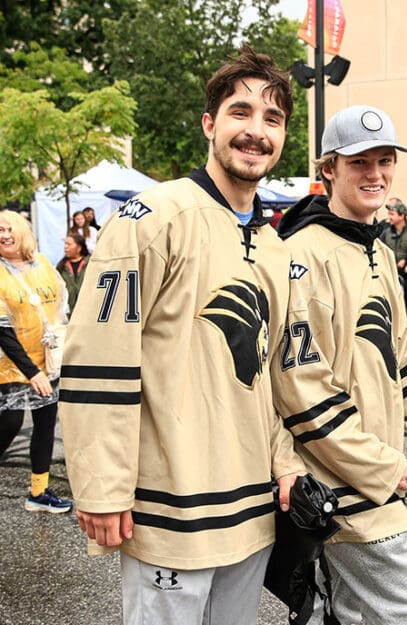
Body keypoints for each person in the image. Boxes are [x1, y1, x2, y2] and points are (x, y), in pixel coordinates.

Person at [58, 44, 306, 625]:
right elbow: (98, 357)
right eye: (240, 112)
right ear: (209, 124)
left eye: (273, 119)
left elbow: (268, 375)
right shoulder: (153, 217)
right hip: (172, 506)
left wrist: (284, 463)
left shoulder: (274, 247)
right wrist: (101, 486)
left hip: (252, 510)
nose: (256, 131)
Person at [271, 104, 407, 625]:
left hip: (370, 471)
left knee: (336, 613)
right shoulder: (302, 253)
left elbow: (402, 366)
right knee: (404, 611)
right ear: (329, 169)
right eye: (359, 162)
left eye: (384, 161)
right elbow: (300, 388)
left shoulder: (379, 252)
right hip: (337, 482)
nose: (375, 174)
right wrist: (384, 466)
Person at [0, 210, 72, 513]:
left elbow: (61, 305)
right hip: (10, 362)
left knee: (45, 423)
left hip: (48, 360)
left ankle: (39, 493)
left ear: (22, 231)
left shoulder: (42, 263)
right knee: (11, 421)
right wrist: (31, 372)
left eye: (8, 229)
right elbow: (1, 330)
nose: (4, 235)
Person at [56, 233, 90, 317]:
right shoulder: (61, 267)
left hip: (87, 312)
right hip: (68, 314)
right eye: (65, 244)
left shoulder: (90, 263)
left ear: (79, 248)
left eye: (69, 244)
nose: (65, 247)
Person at [379, 197, 407, 272]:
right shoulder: (385, 232)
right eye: (389, 214)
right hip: (389, 270)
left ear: (401, 216)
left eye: (392, 214)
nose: (389, 217)